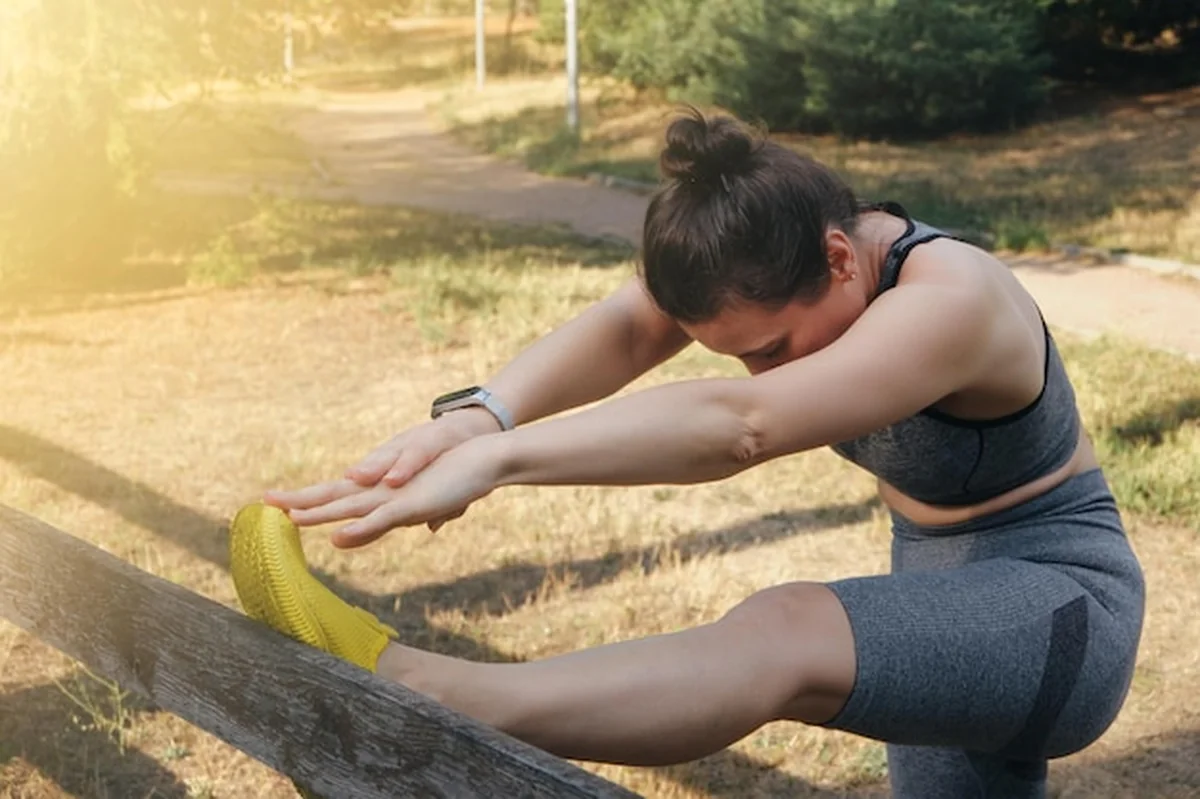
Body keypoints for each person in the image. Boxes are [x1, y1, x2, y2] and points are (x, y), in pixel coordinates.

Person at [231, 109, 1145, 798]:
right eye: (735, 350)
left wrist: (501, 465)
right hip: (937, 591)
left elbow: (741, 423)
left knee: (785, 630)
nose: (759, 365)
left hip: (1060, 604)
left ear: (839, 257)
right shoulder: (778, 253)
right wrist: (479, 419)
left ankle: (428, 689)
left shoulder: (956, 299)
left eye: (772, 347)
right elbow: (633, 327)